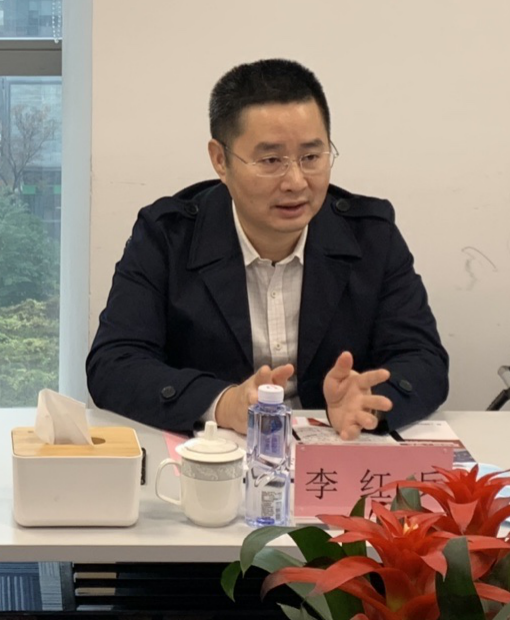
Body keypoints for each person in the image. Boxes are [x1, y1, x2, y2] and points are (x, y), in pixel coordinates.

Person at [86, 59, 448, 439]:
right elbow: (114, 364)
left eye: (311, 157)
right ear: (221, 160)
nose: (296, 182)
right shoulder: (168, 237)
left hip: (333, 450)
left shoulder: (371, 236)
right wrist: (222, 404)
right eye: (271, 160)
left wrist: (368, 401)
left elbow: (423, 359)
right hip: (216, 456)